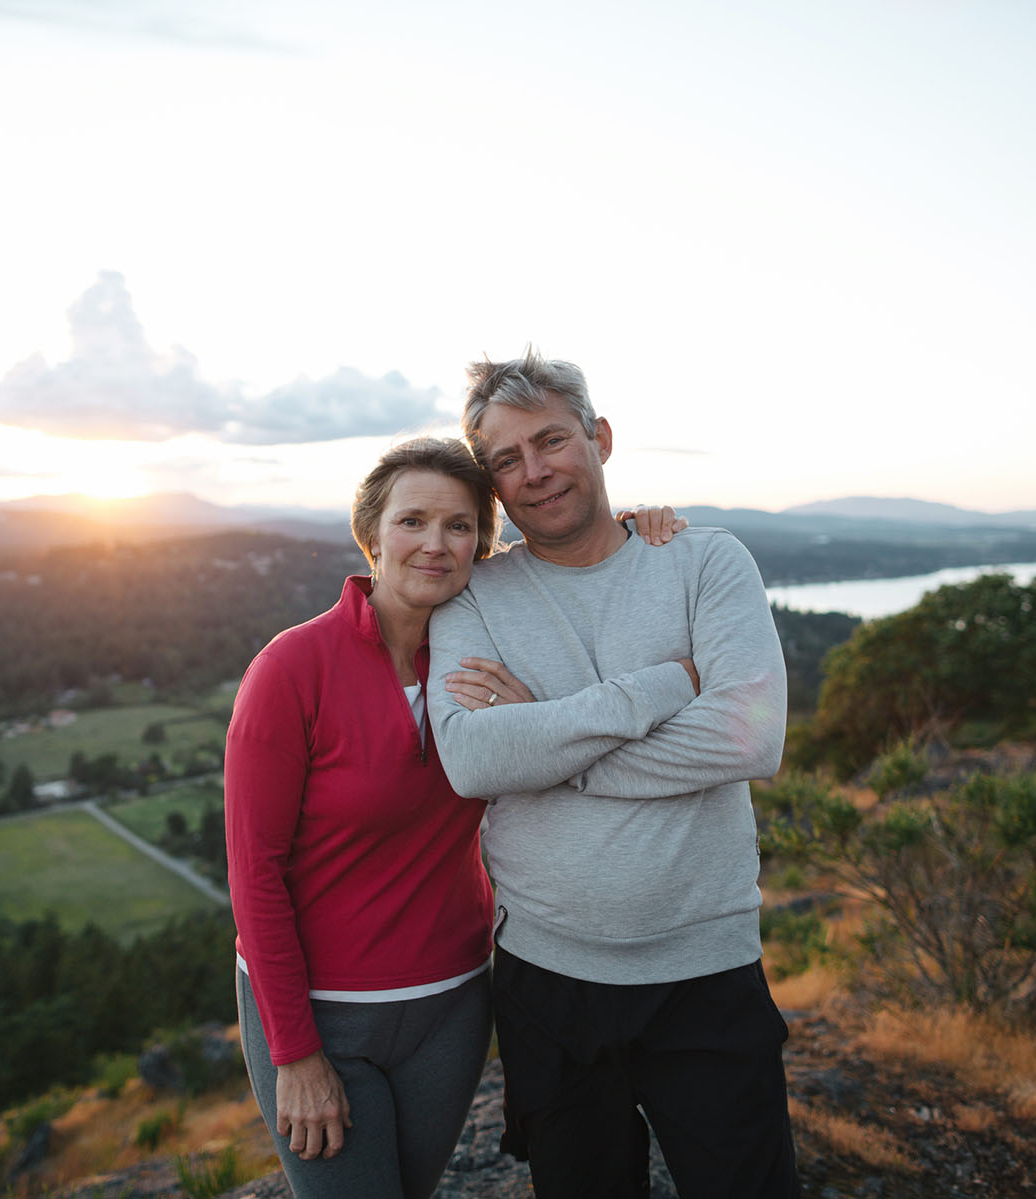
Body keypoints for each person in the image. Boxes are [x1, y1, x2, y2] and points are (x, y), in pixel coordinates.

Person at [224, 436, 685, 1199]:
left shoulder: (486, 661)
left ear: (482, 544)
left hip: (452, 1005)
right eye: (413, 521)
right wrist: (295, 1053)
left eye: (460, 525)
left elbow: (579, 581)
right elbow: (254, 873)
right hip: (326, 1012)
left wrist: (637, 530)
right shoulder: (291, 668)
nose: (435, 543)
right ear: (372, 535)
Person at [428, 350, 798, 1199]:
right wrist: (664, 687)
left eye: (551, 440)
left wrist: (549, 744)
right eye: (506, 460)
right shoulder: (474, 596)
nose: (534, 471)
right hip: (547, 981)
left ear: (598, 437)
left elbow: (751, 738)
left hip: (706, 968)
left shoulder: (705, 561)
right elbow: (476, 759)